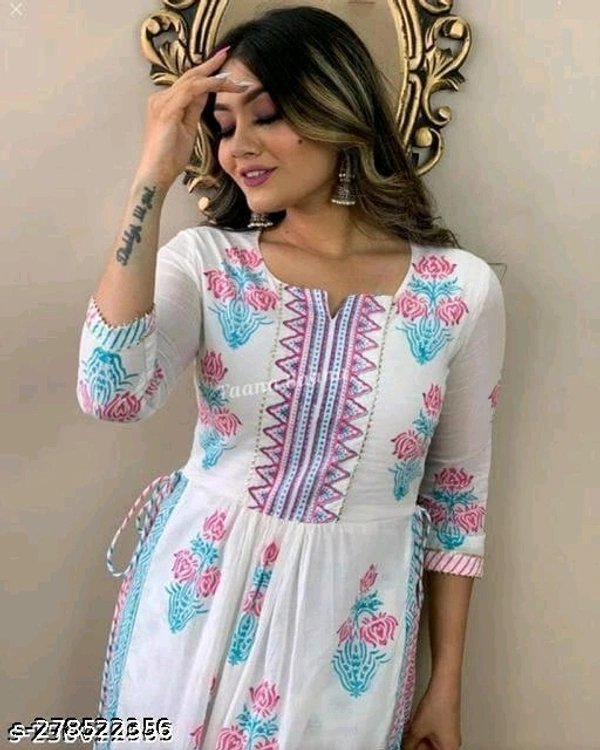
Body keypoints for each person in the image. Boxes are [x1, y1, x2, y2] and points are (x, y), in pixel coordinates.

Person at [76, 6, 506, 750]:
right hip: (195, 606)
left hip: (348, 629)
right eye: (223, 126)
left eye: (267, 116)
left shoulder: (459, 292)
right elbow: (109, 394)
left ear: (336, 110)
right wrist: (152, 175)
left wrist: (446, 685)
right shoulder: (207, 263)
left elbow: (457, 501)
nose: (238, 147)